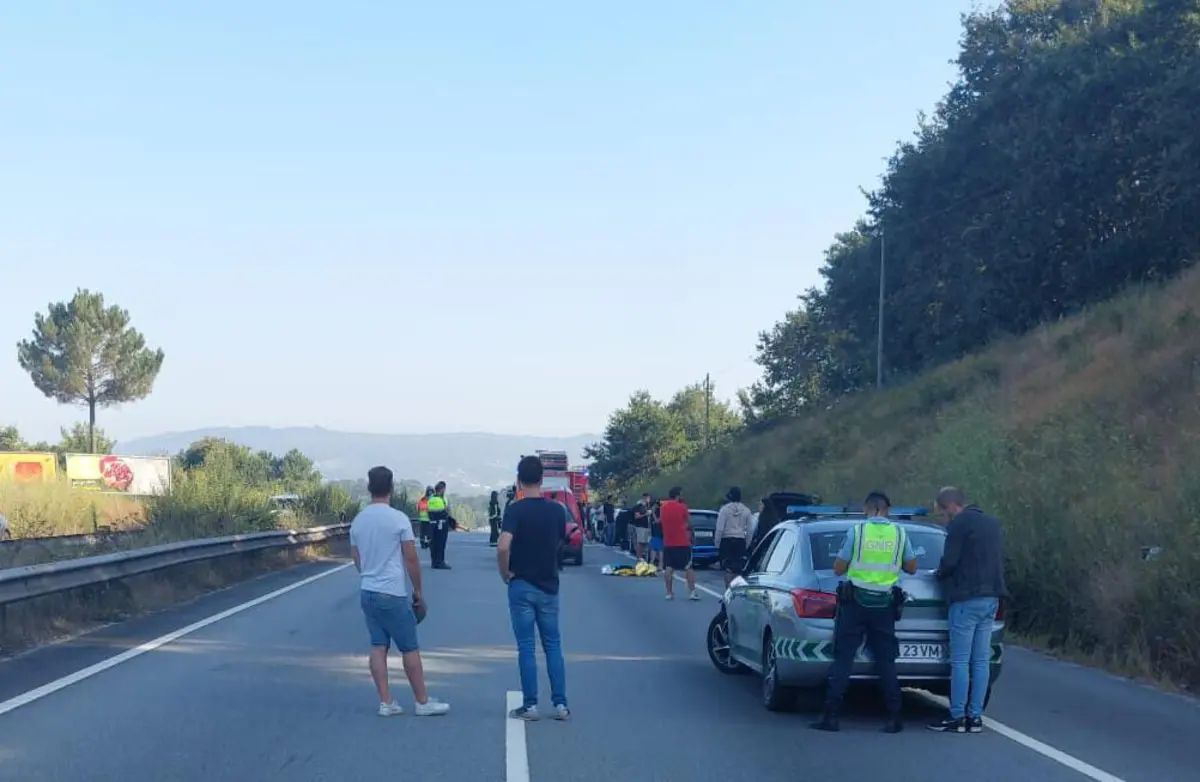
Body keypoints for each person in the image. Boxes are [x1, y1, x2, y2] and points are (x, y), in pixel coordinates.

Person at [811, 491, 917, 734]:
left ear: (865, 508)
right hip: (885, 603)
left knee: (844, 657)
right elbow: (912, 567)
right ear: (888, 510)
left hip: (855, 602)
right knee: (886, 660)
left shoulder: (857, 531)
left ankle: (831, 715)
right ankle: (895, 716)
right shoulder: (900, 533)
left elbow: (838, 568)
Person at [349, 466, 450, 717]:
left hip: (368, 591)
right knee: (409, 647)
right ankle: (422, 701)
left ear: (369, 487)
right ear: (391, 487)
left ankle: (386, 702)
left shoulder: (359, 520)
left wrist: (367, 575)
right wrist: (418, 590)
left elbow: (356, 557)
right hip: (392, 593)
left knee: (377, 646)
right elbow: (411, 559)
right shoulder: (398, 519)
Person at [928, 486, 1007, 734]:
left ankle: (957, 716)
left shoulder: (959, 525)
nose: (944, 517)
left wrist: (939, 575)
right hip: (992, 597)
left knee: (960, 661)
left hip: (966, 598)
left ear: (950, 506)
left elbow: (949, 562)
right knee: (981, 660)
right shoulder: (992, 523)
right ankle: (975, 718)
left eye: (943, 513)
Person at [498, 455, 570, 721]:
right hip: (549, 584)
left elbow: (504, 545)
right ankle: (561, 704)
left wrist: (505, 572)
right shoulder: (556, 510)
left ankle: (530, 706)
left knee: (526, 646)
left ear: (518, 480)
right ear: (542, 480)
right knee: (553, 645)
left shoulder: (515, 510)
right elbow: (561, 541)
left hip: (522, 584)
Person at [658, 486, 698, 601]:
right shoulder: (682, 507)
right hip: (682, 542)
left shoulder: (663, 508)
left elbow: (661, 522)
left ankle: (669, 593)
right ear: (678, 495)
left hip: (668, 542)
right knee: (688, 567)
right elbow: (689, 523)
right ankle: (692, 592)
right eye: (681, 494)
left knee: (669, 567)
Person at [714, 486, 754, 586]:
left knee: (727, 568)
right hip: (740, 540)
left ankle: (728, 590)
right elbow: (750, 529)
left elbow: (719, 528)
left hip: (726, 540)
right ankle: (736, 589)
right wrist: (747, 543)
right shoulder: (746, 510)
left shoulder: (724, 510)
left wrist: (717, 543)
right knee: (738, 568)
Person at [428, 481, 452, 569]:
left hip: (432, 524)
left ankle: (434, 562)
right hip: (441, 524)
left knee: (433, 543)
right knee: (441, 544)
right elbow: (445, 512)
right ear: (442, 489)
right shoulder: (442, 499)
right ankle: (440, 562)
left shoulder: (431, 499)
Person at [631, 493, 652, 561]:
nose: (648, 499)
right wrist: (646, 514)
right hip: (640, 526)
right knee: (640, 542)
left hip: (647, 526)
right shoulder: (638, 506)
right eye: (647, 498)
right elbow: (636, 516)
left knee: (645, 543)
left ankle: (641, 556)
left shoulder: (648, 506)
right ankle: (638, 557)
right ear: (644, 498)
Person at [648, 499, 664, 568]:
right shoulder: (652, 513)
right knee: (654, 548)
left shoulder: (660, 511)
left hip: (659, 532)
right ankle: (652, 563)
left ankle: (660, 564)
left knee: (658, 549)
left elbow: (657, 521)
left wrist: (653, 512)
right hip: (654, 532)